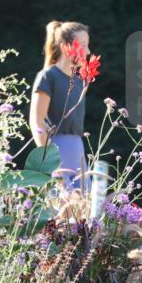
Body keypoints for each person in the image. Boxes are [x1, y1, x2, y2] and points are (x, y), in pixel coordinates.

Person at [30, 21, 91, 191]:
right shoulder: (48, 76)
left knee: (83, 205)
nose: (88, 52)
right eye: (83, 46)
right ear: (65, 47)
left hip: (78, 154)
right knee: (58, 204)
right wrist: (51, 163)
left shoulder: (79, 81)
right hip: (55, 153)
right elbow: (37, 122)